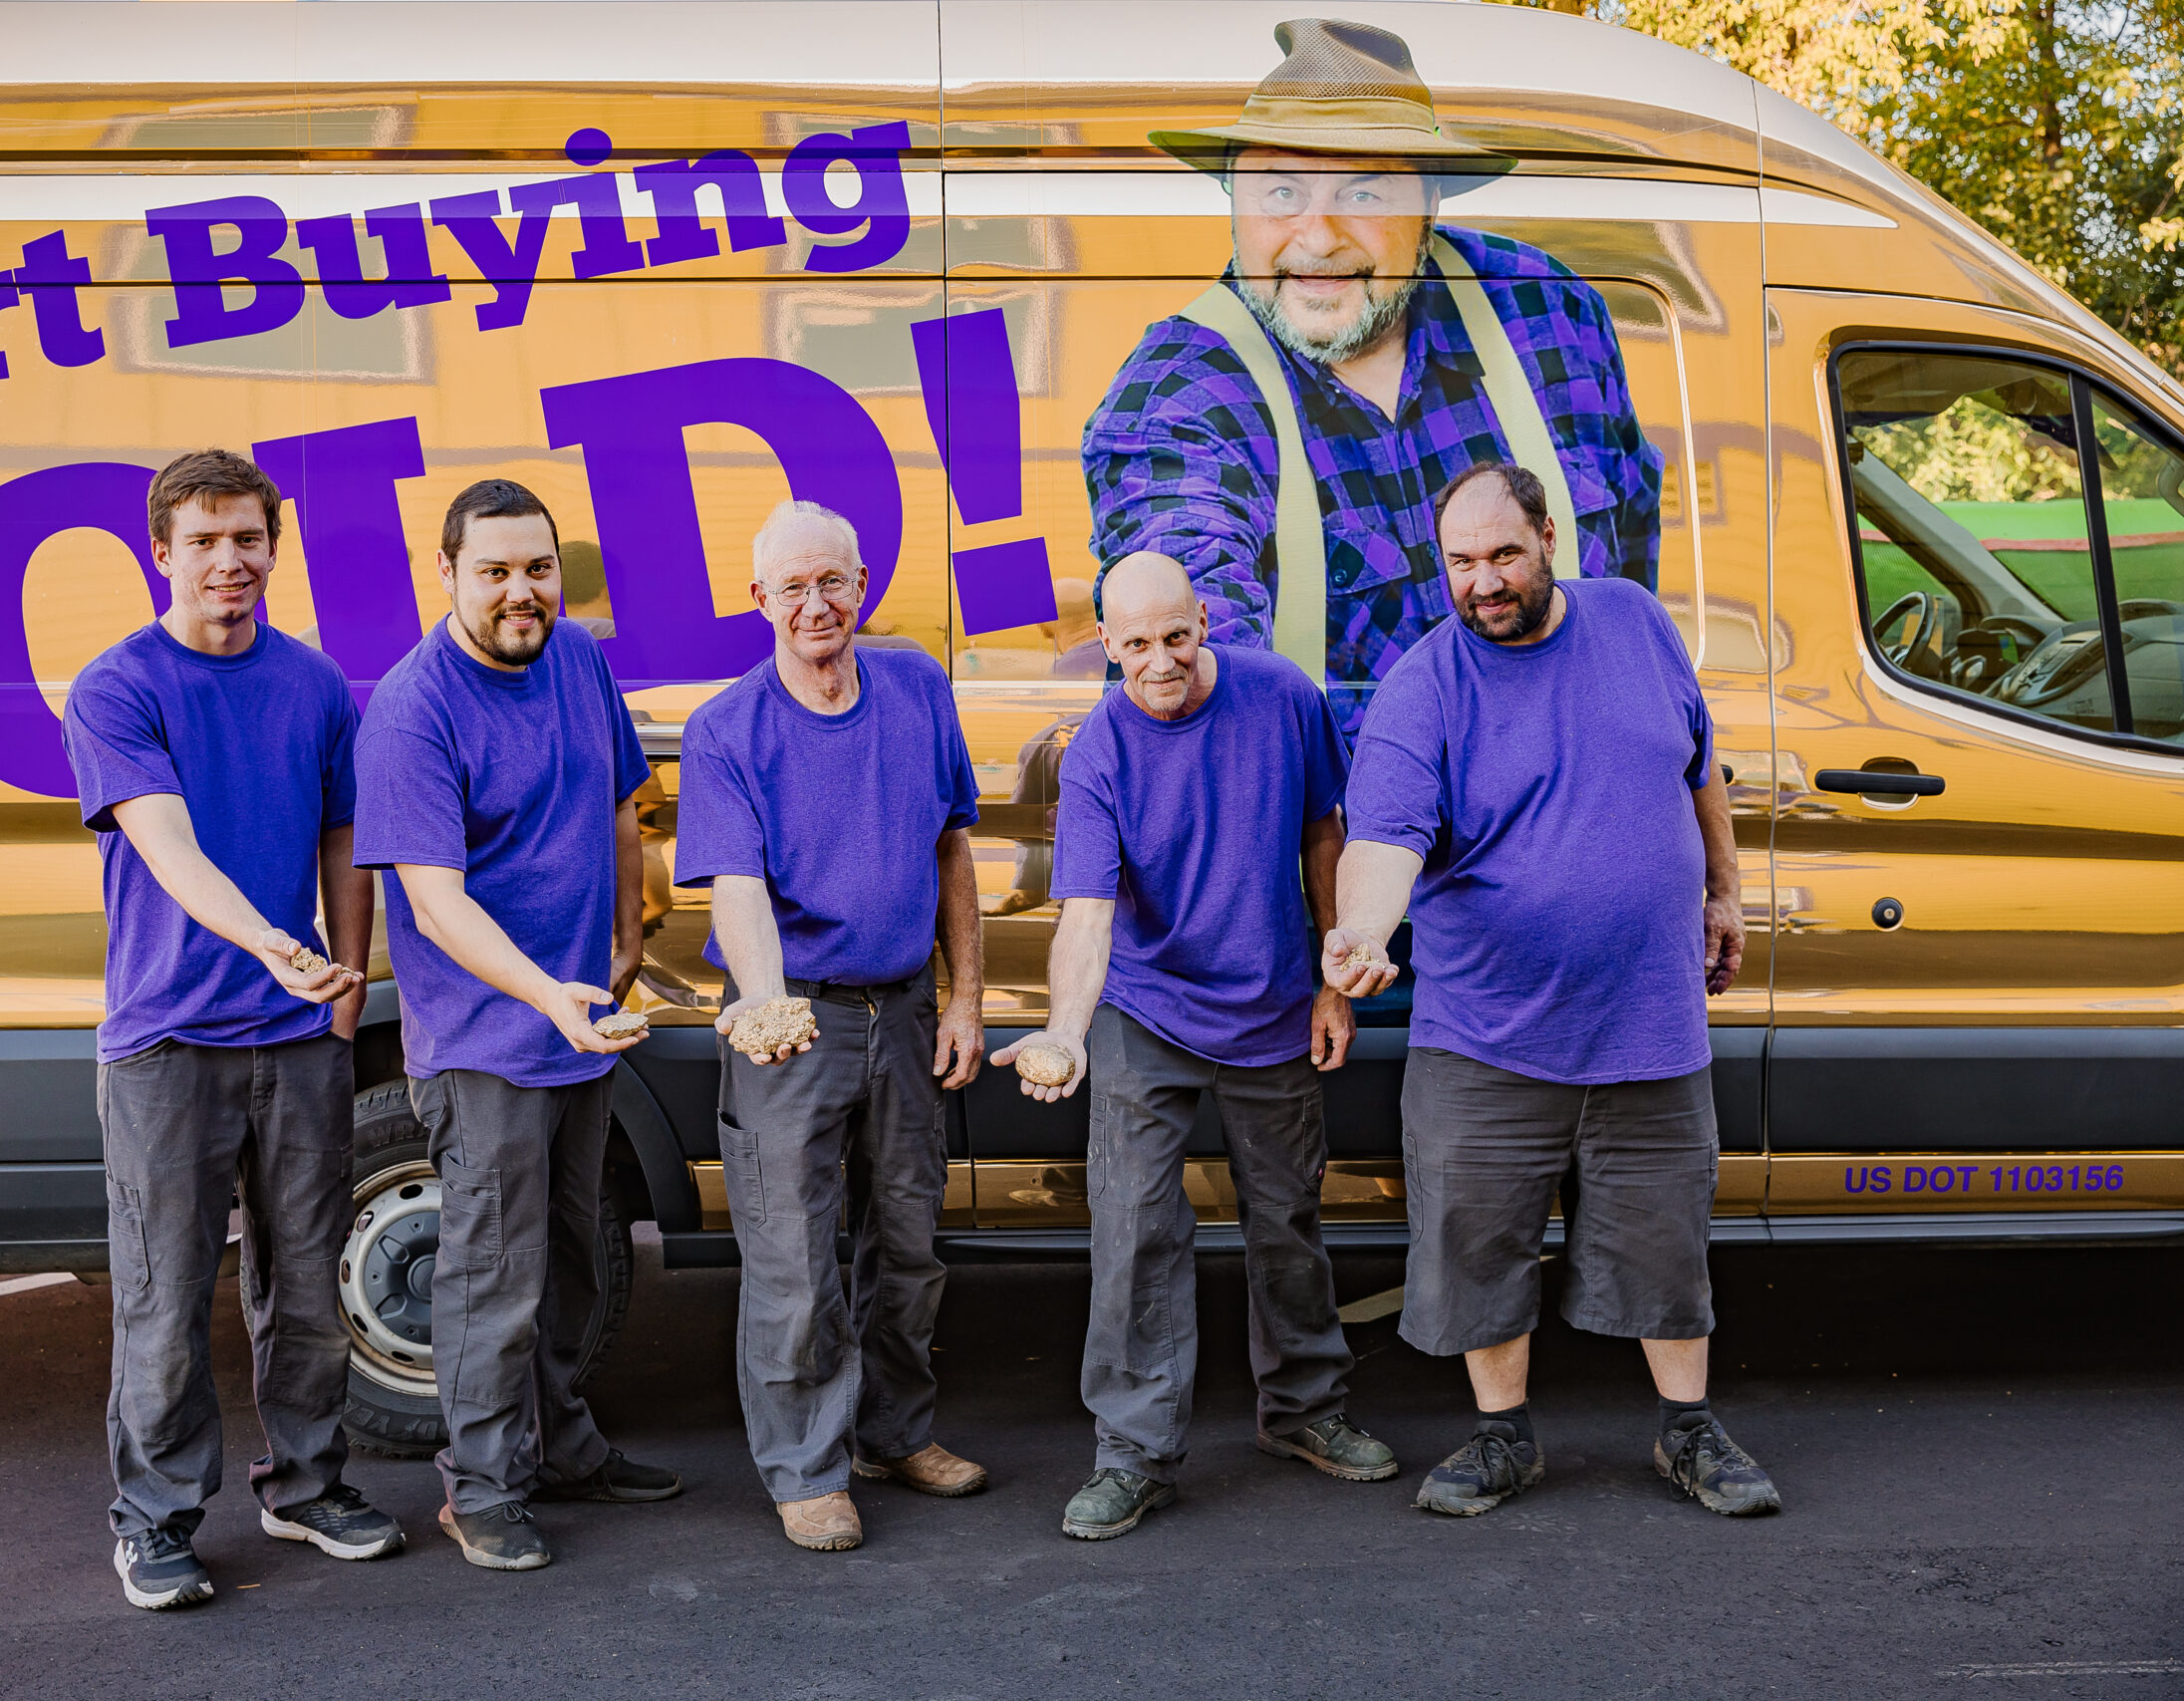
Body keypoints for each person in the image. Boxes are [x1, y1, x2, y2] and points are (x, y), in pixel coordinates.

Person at [1326, 460, 1779, 1519]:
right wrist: (1358, 934)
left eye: (1503, 556)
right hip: (1487, 1033)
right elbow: (1382, 840)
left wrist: (1723, 888)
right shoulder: (1423, 685)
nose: (1483, 582)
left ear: (1548, 541)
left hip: (1648, 1018)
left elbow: (1696, 765)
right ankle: (1501, 1439)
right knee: (1477, 1244)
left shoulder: (1633, 622)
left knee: (1666, 1241)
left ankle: (1686, 1431)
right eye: (1460, 563)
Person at [1082, 17, 1663, 740]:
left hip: (1569, 834)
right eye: (1281, 191)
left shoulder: (1550, 313)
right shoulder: (1178, 397)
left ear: (1429, 203)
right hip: (1349, 845)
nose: (1319, 236)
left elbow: (1635, 606)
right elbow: (1195, 658)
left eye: (1364, 194)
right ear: (1234, 197)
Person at [992, 551, 1394, 1542]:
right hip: (1144, 1010)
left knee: (1287, 1221)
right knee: (1132, 1234)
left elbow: (1323, 838)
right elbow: (1085, 918)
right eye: (1134, 645)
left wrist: (1331, 981)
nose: (1159, 662)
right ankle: (1132, 1456)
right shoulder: (1096, 755)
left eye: (1175, 636)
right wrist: (1062, 1031)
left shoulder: (1280, 697)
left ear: (1203, 619)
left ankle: (1304, 1412)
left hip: (1271, 1003)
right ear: (1107, 642)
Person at [63, 448, 405, 1612]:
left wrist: (347, 977)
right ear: (163, 553)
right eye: (204, 539)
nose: (229, 559)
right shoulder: (116, 689)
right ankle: (154, 1520)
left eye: (248, 538)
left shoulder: (313, 684)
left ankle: (306, 1490)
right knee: (162, 1298)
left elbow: (346, 839)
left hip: (298, 1037)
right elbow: (166, 843)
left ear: (273, 547)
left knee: (307, 1286)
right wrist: (271, 942)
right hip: (167, 1042)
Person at [353, 478, 682, 1573]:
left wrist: (631, 926)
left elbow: (624, 792)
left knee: (576, 1256)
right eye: (493, 570)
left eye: (536, 568)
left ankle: (561, 1449)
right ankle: (481, 1488)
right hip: (488, 1041)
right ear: (444, 574)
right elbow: (435, 901)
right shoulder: (413, 707)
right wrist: (549, 993)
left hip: (581, 1023)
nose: (519, 591)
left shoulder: (579, 657)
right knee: (493, 1278)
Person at [672, 500, 989, 1554]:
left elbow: (953, 850)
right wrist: (764, 1003)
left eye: (833, 582)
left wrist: (966, 996)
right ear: (758, 600)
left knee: (905, 1241)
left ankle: (892, 1435)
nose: (816, 605)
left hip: (900, 1009)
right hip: (794, 1015)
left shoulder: (915, 688)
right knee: (793, 1257)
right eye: (792, 587)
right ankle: (805, 1467)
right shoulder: (729, 728)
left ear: (863, 586)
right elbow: (736, 888)